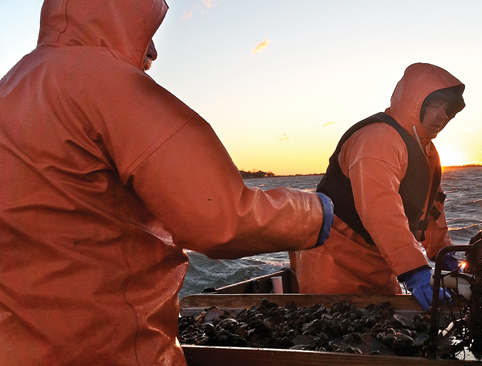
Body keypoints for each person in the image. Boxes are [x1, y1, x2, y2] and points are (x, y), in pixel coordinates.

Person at [0, 1, 333, 365]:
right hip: (109, 348)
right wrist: (318, 211)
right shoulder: (109, 86)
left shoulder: (12, 86)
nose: (154, 51)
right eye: (147, 32)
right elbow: (221, 220)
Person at [293, 63, 465, 310]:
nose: (442, 115)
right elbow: (380, 209)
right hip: (334, 266)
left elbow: (431, 211)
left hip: (383, 268)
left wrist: (443, 254)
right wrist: (415, 270)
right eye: (435, 105)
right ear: (414, 102)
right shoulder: (377, 139)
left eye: (447, 110)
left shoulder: (428, 153)